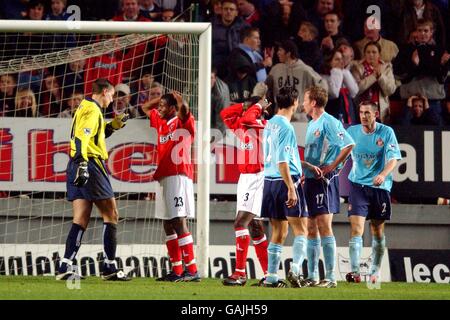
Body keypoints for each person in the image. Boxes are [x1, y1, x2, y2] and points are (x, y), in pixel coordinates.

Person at [57, 78, 130, 281]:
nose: (112, 99)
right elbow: (81, 137)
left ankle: (65, 265)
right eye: (112, 94)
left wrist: (114, 125)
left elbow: (93, 135)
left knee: (81, 218)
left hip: (76, 163)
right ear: (105, 91)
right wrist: (83, 163)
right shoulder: (92, 109)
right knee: (112, 214)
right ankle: (109, 267)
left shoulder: (86, 106)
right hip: (89, 163)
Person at [301, 86, 354, 288]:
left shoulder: (329, 121)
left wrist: (332, 166)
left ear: (314, 102)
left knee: (324, 225)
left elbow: (349, 145)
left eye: (306, 99)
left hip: (325, 181)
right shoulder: (312, 123)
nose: (303, 103)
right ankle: (313, 276)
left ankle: (331, 277)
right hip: (311, 180)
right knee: (311, 227)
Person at [345, 101, 402, 283]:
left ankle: (375, 271)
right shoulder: (352, 132)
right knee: (356, 229)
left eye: (367, 113)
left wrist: (383, 174)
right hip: (357, 185)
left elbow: (393, 158)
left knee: (377, 230)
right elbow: (342, 153)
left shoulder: (386, 132)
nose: (363, 116)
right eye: (361, 112)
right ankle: (355, 272)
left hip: (379, 187)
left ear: (375, 114)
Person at [220, 82, 269, 286]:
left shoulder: (261, 125)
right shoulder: (243, 125)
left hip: (256, 177)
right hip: (245, 179)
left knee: (240, 223)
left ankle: (240, 273)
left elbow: (250, 117)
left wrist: (257, 105)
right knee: (256, 227)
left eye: (251, 109)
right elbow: (225, 114)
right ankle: (269, 274)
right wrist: (244, 105)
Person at [148, 92, 200, 282]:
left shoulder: (182, 122)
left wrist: (177, 100)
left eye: (163, 106)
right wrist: (162, 96)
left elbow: (184, 109)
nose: (158, 108)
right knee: (167, 223)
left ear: (172, 108)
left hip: (179, 175)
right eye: (159, 105)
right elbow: (146, 108)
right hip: (163, 176)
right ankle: (177, 271)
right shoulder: (160, 122)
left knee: (179, 220)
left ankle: (192, 270)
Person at [260, 87, 308, 288]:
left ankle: (271, 277)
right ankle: (296, 270)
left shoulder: (269, 124)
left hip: (269, 183)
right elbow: (282, 162)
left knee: (279, 231)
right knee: (302, 229)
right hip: (285, 182)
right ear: (295, 102)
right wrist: (291, 187)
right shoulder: (287, 128)